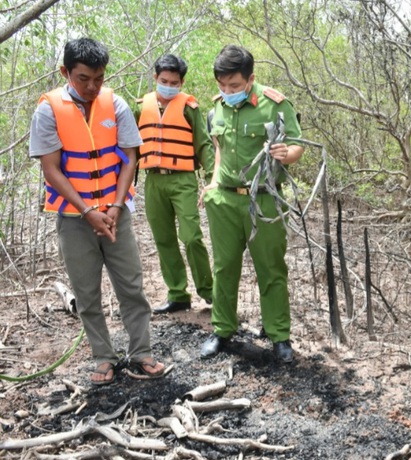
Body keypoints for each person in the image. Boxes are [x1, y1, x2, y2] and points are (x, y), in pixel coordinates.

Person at [29, 38, 166, 385]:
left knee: (132, 287)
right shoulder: (48, 110)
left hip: (117, 216)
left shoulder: (115, 105)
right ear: (66, 72)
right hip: (76, 221)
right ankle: (104, 356)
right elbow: (51, 170)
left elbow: (130, 159)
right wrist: (88, 211)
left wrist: (117, 206)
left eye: (99, 78)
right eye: (83, 78)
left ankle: (142, 353)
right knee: (87, 293)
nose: (92, 86)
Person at [200, 45, 303, 363]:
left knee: (271, 270)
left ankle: (279, 337)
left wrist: (288, 153)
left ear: (250, 79)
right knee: (224, 268)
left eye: (234, 86)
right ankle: (222, 330)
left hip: (264, 201)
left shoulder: (275, 104)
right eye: (222, 86)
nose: (227, 92)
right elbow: (219, 148)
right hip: (225, 201)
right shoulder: (216, 107)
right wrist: (214, 184)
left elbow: (298, 144)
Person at [135, 54, 214, 314]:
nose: (168, 86)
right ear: (155, 78)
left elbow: (203, 144)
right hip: (153, 180)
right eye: (164, 80)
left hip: (182, 179)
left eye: (174, 82)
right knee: (164, 239)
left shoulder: (189, 107)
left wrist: (214, 179)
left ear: (181, 82)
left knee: (191, 237)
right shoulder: (140, 106)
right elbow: (130, 148)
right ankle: (178, 294)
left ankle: (209, 291)